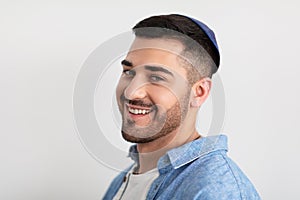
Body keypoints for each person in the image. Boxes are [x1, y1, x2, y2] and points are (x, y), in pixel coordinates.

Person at [103, 14, 261, 200]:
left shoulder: (215, 191)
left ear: (199, 92)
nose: (131, 93)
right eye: (129, 72)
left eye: (156, 78)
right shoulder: (124, 180)